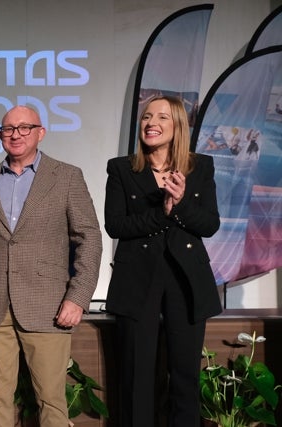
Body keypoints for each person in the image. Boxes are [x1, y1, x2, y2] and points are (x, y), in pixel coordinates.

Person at [0, 105, 102, 427]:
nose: (15, 134)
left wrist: (78, 297)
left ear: (40, 132)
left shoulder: (67, 176)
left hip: (47, 305)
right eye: (8, 129)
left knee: (52, 401)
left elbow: (89, 238)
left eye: (24, 128)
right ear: (0, 136)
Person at [104, 96, 222, 427]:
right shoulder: (122, 168)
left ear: (178, 126)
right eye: (146, 116)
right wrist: (162, 213)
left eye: (161, 117)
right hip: (137, 280)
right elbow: (116, 225)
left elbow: (210, 225)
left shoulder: (200, 167)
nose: (151, 122)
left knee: (185, 376)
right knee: (136, 378)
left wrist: (181, 203)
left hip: (186, 281)